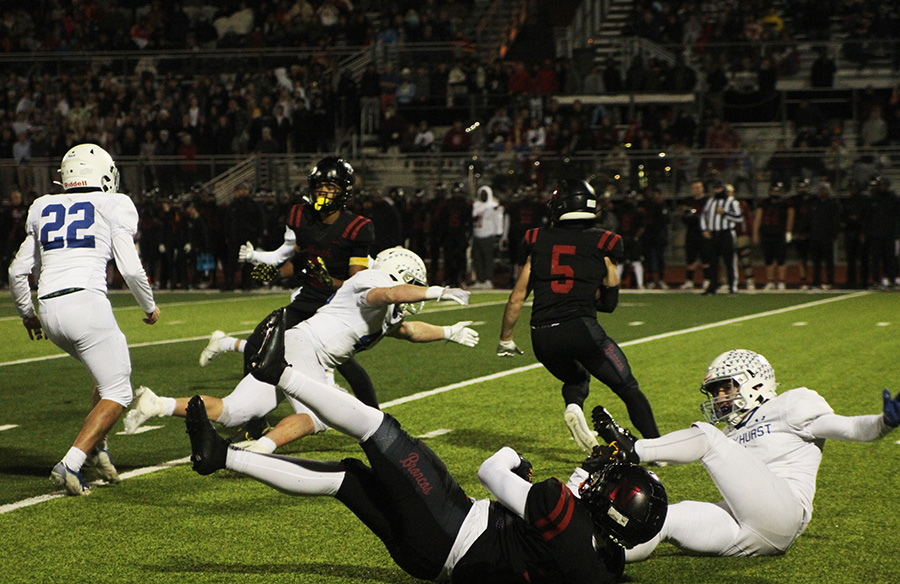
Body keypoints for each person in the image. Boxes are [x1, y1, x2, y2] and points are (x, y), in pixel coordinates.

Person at [183, 309, 668, 583]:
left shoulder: (564, 511)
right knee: (348, 478)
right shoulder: (606, 566)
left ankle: (279, 370)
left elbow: (492, 474)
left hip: (453, 523)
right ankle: (222, 455)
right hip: (433, 564)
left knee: (379, 428)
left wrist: (515, 459)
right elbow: (610, 536)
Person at [125, 247, 479, 454]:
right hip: (307, 349)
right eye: (414, 283)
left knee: (234, 411)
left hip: (297, 346)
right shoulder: (374, 281)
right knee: (322, 416)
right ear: (400, 273)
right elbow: (387, 295)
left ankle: (157, 403)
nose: (415, 290)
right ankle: (262, 449)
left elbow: (409, 329)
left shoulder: (386, 305)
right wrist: (434, 291)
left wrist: (448, 331)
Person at [590, 349, 900, 561]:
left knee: (707, 437)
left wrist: (883, 422)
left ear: (753, 381)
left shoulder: (790, 406)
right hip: (746, 525)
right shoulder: (730, 433)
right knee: (662, 519)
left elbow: (851, 429)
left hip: (784, 513)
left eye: (725, 388)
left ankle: (634, 448)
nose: (719, 398)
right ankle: (587, 558)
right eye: (715, 392)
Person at [8, 143, 160, 496]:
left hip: (48, 309)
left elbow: (17, 272)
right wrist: (149, 307)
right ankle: (72, 462)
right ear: (104, 174)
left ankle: (98, 449)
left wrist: (28, 315)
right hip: (86, 303)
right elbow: (132, 270)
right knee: (119, 390)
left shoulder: (42, 205)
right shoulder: (114, 204)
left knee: (106, 375)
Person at [198, 156, 380, 418]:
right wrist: (274, 273)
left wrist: (330, 281)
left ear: (344, 191)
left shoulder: (357, 227)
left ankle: (376, 420)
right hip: (308, 299)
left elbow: (358, 283)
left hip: (337, 305)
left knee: (344, 363)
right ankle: (249, 416)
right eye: (319, 187)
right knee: (255, 344)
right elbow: (299, 261)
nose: (323, 193)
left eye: (330, 188)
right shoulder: (301, 216)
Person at [497, 180, 661, 453]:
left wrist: (506, 338)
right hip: (581, 328)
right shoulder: (604, 242)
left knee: (575, 378)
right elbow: (609, 304)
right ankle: (659, 448)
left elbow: (516, 297)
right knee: (627, 387)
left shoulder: (538, 239)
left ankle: (574, 406)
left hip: (542, 334)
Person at [700, 180, 743, 295]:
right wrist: (705, 229)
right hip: (714, 234)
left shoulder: (732, 202)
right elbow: (704, 215)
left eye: (719, 188)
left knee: (730, 261)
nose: (717, 190)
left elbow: (739, 218)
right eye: (716, 188)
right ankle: (712, 287)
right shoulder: (711, 201)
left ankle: (732, 287)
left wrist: (725, 213)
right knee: (712, 261)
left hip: (726, 233)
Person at [753, 183, 791, 290]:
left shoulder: (784, 204)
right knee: (768, 259)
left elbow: (789, 218)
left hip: (780, 234)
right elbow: (758, 218)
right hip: (766, 233)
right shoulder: (764, 203)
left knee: (781, 259)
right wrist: (755, 233)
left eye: (777, 191)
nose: (775, 193)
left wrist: (788, 232)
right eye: (773, 191)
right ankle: (770, 280)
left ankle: (781, 281)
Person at [470, 185, 504, 289]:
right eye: (482, 194)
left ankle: (489, 280)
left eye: (485, 194)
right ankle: (479, 280)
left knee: (488, 259)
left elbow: (498, 220)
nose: (483, 196)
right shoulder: (476, 205)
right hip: (476, 235)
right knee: (477, 259)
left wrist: (499, 233)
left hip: (488, 235)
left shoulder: (493, 206)